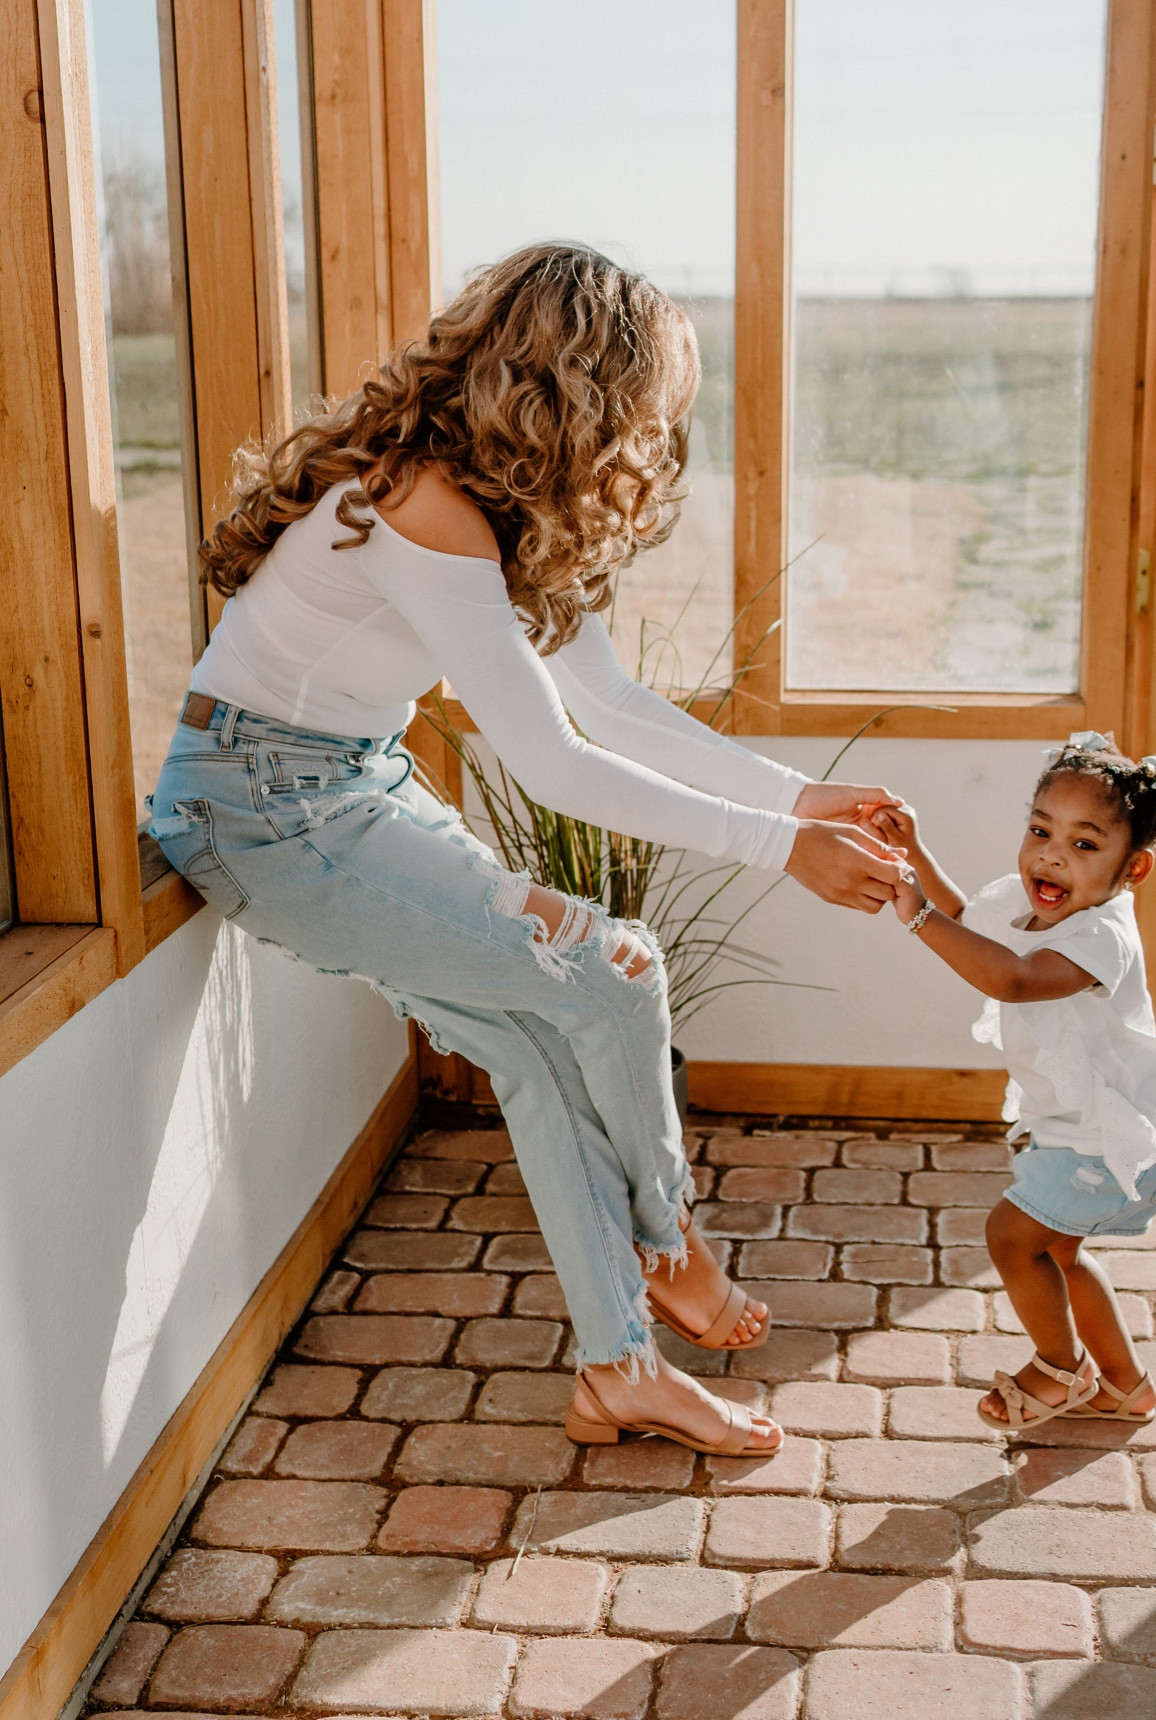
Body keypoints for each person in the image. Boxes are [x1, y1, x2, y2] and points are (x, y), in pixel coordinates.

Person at [149, 242, 909, 1459]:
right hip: (263, 807)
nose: (662, 437)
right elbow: (554, 763)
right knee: (619, 968)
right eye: (658, 406)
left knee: (537, 1048)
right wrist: (780, 849)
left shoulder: (496, 507)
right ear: (585, 389)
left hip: (340, 786)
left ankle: (619, 1370)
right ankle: (671, 1245)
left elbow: (611, 707)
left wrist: (804, 801)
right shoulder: (425, 501)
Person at [874, 732, 1156, 1432]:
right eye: (1039, 831)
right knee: (1057, 1252)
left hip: (1112, 1137)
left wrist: (916, 917)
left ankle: (1061, 1370)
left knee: (1010, 1237)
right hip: (1081, 1124)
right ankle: (1125, 1386)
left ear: (1133, 870)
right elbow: (974, 922)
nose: (1052, 855)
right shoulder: (1034, 901)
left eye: (1085, 846)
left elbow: (1016, 978)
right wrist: (917, 855)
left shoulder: (1100, 936)